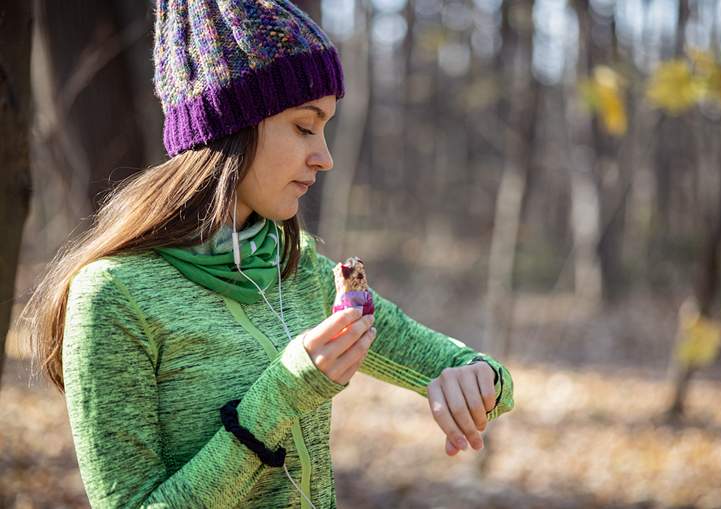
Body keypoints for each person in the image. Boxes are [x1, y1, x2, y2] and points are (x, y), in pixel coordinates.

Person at [20, 1, 514, 507]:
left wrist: (478, 380)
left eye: (324, 129)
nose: (324, 157)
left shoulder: (306, 276)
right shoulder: (115, 295)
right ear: (230, 127)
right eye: (305, 126)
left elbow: (475, 370)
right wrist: (282, 393)